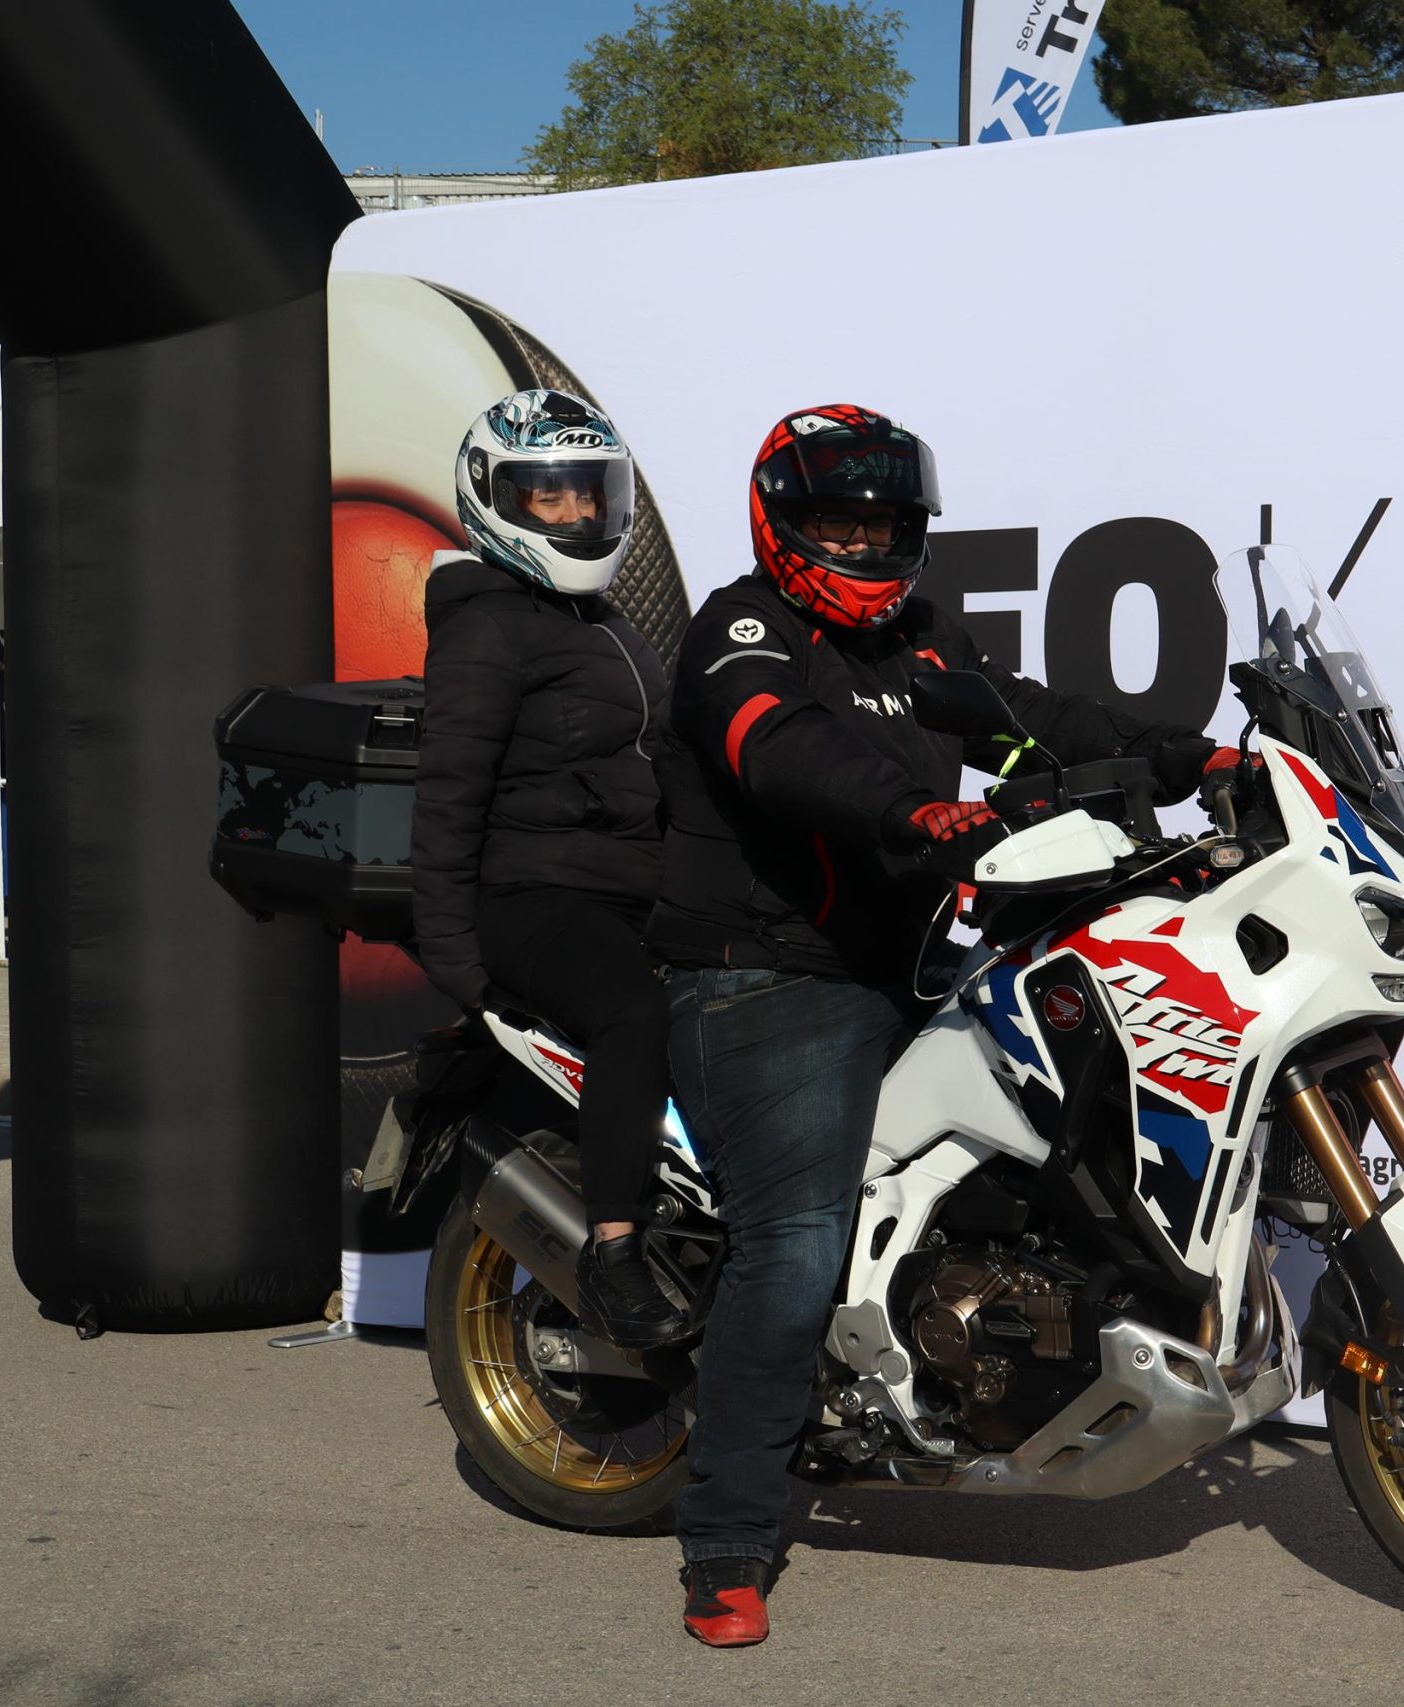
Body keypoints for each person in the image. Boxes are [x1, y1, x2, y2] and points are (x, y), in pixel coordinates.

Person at [651, 404, 1239, 1646]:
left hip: (910, 959)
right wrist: (912, 814)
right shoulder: (740, 632)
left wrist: (1195, 762)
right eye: (839, 522)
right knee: (794, 1240)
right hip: (768, 974)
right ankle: (726, 1539)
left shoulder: (919, 640)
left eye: (884, 525)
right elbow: (780, 747)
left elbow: (1029, 719)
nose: (865, 545)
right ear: (782, 522)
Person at [409, 388, 689, 1350]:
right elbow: (447, 796)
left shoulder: (596, 616)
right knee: (631, 1012)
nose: (575, 512)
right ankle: (614, 1254)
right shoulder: (488, 627)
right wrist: (457, 960)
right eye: (549, 495)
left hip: (625, 888)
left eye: (588, 493)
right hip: (533, 895)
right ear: (495, 499)